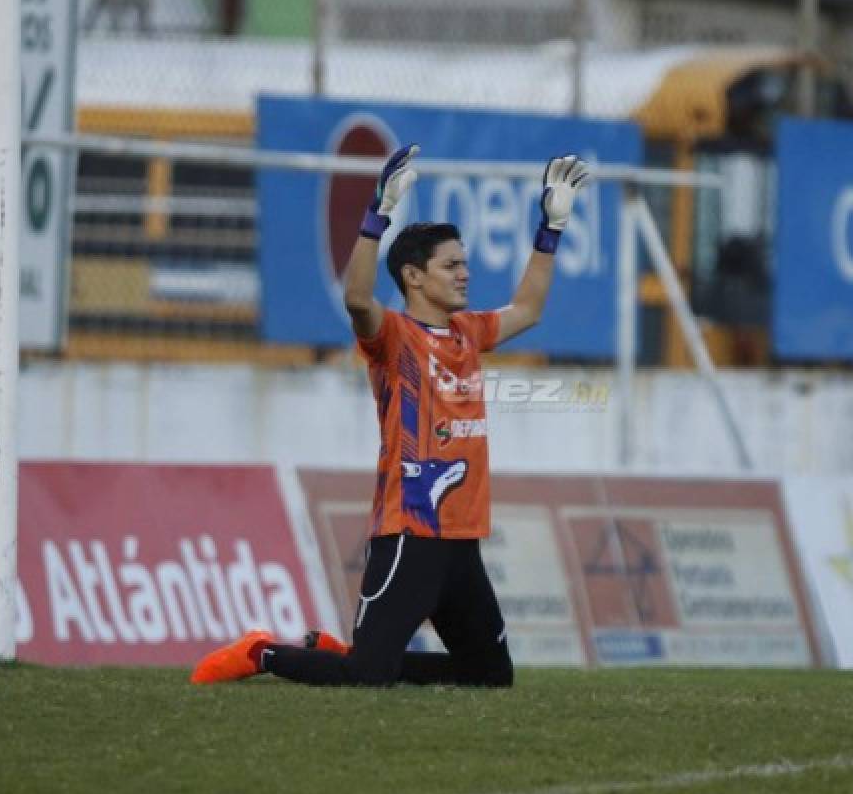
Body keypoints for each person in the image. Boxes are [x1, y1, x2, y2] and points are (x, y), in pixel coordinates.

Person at [191, 144, 590, 686]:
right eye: (451, 265)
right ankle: (262, 653)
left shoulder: (469, 332)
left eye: (465, 263)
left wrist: (552, 228)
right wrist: (376, 217)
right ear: (414, 277)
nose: (465, 274)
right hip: (409, 533)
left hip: (461, 541)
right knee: (366, 675)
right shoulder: (394, 337)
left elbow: (529, 310)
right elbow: (357, 298)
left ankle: (339, 652)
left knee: (491, 675)